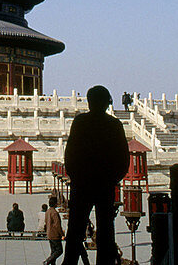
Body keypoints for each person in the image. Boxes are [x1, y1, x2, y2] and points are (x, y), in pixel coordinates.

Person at [61, 85, 130, 265]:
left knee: (75, 229)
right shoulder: (114, 125)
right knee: (106, 229)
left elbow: (70, 154)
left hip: (82, 185)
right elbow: (123, 158)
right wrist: (114, 179)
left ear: (89, 102)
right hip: (105, 185)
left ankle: (69, 262)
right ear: (108, 103)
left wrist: (75, 177)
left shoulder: (80, 122)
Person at [44, 195, 64, 265]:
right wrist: (62, 234)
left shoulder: (47, 212)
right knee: (59, 250)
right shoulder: (55, 213)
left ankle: (52, 263)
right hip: (55, 234)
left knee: (53, 251)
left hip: (49, 233)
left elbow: (46, 222)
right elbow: (57, 225)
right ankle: (47, 261)